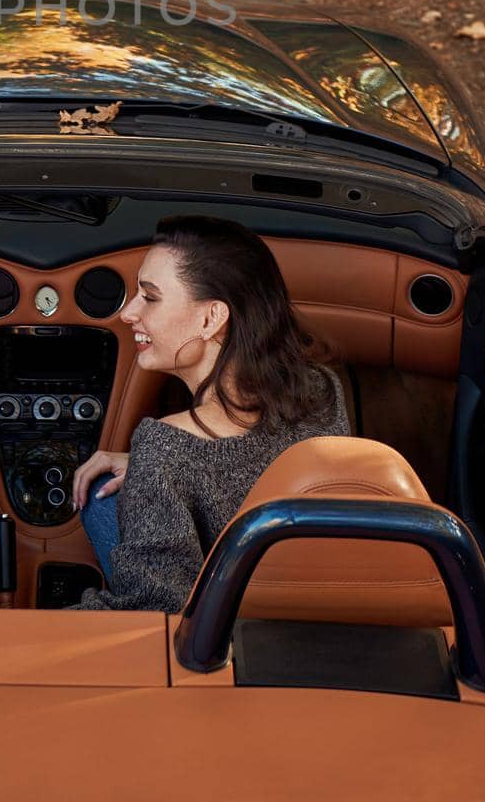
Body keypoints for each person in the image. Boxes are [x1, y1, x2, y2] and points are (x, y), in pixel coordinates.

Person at [72, 214, 349, 612]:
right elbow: (265, 468)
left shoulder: (164, 446)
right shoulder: (322, 390)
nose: (127, 313)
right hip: (324, 617)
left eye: (149, 297)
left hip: (227, 649)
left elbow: (155, 609)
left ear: (211, 318)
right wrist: (149, 471)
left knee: (97, 498)